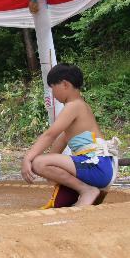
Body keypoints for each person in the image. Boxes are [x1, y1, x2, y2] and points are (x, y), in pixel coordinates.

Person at [22, 64, 120, 206]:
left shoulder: (75, 105)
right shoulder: (77, 116)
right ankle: (87, 190)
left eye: (53, 89)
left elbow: (50, 135)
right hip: (98, 168)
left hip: (97, 167)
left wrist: (27, 159)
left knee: (38, 162)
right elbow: (56, 149)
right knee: (43, 167)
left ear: (64, 84)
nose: (53, 95)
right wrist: (51, 173)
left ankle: (86, 190)